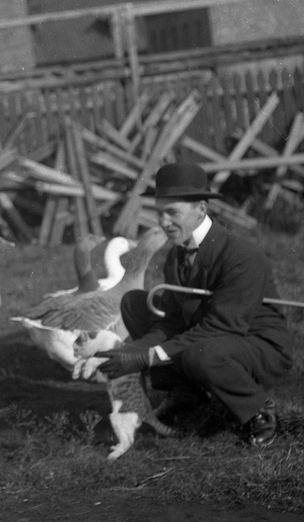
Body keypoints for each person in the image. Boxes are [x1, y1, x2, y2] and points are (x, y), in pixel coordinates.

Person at [94, 162, 293, 446]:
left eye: (172, 212)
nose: (163, 222)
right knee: (135, 304)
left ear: (201, 209)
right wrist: (129, 352)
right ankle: (186, 394)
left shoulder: (240, 255)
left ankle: (258, 407)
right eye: (159, 213)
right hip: (211, 336)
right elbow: (170, 322)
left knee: (200, 354)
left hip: (254, 346)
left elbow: (222, 326)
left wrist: (149, 357)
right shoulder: (176, 256)